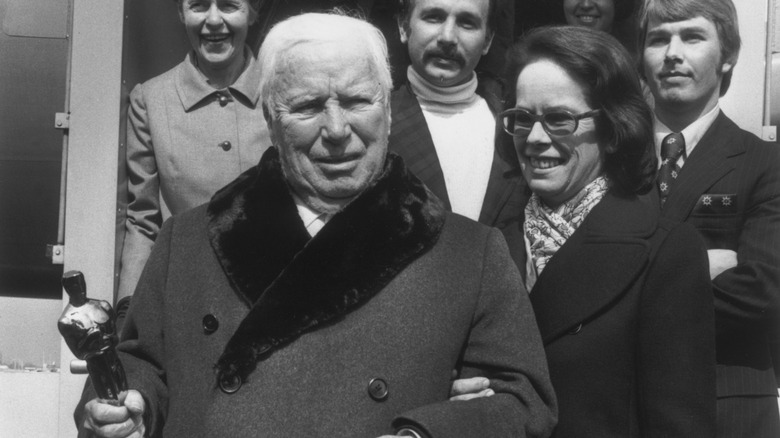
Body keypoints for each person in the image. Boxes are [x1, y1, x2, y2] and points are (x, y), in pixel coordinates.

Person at [76, 12, 557, 438]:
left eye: (357, 101)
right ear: (270, 116)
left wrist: (428, 434)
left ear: (387, 110)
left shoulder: (469, 254)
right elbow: (138, 364)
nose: (336, 129)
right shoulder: (187, 241)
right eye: (307, 107)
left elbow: (523, 402)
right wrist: (127, 409)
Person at [454, 25, 717, 437]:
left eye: (559, 119)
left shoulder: (665, 250)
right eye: (522, 119)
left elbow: (681, 425)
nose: (536, 138)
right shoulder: (488, 244)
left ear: (613, 128)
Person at [639, 0, 780, 435]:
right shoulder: (611, 159)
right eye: (658, 39)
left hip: (726, 405)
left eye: (692, 36)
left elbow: (762, 291)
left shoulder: (765, 163)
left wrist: (627, 298)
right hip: (623, 405)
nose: (672, 53)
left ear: (728, 54)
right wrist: (702, 267)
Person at [117, 0, 271, 318]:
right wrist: (127, 314)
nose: (213, 20)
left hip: (272, 301)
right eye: (198, 6)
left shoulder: (283, 91)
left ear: (252, 13)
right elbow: (143, 223)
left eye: (229, 6)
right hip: (188, 307)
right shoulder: (150, 99)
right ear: (181, 14)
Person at [389, 0, 525, 228]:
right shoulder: (379, 122)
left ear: (488, 40)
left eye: (467, 23)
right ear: (404, 26)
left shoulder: (515, 120)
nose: (448, 37)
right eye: (434, 17)